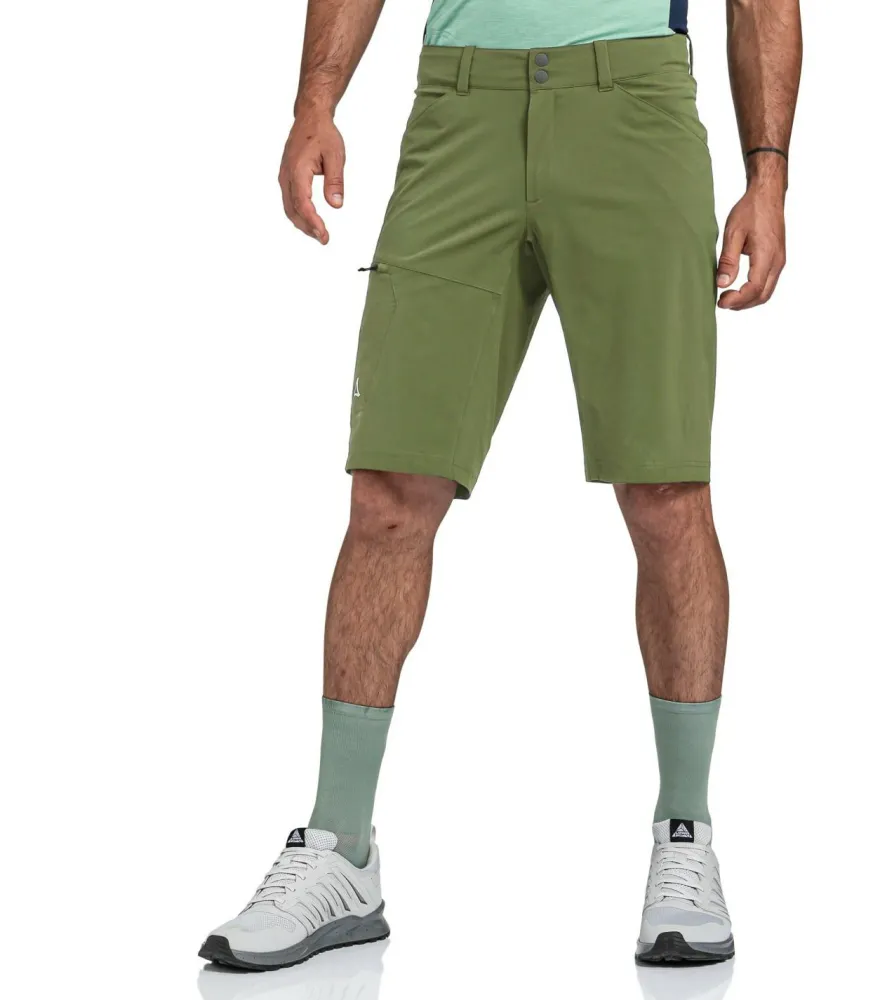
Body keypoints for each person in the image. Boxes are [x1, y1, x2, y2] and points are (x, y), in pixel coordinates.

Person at [199, 0, 802, 971]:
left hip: (635, 108)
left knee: (664, 492)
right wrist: (316, 101)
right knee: (388, 491)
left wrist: (766, 176)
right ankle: (339, 847)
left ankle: (685, 834)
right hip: (459, 110)